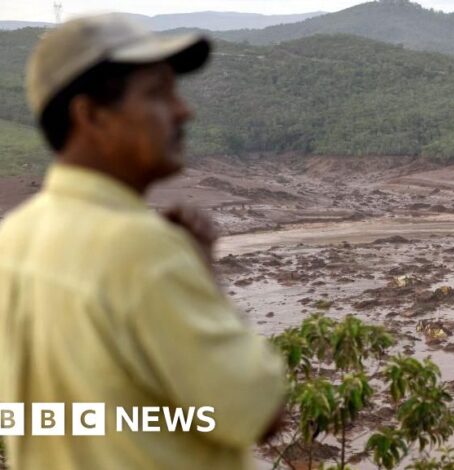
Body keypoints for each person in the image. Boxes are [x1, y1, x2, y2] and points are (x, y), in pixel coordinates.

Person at [0, 13, 287, 469]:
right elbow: (257, 413)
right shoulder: (139, 248)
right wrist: (206, 277)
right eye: (157, 93)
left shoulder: (13, 240)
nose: (182, 110)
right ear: (91, 116)